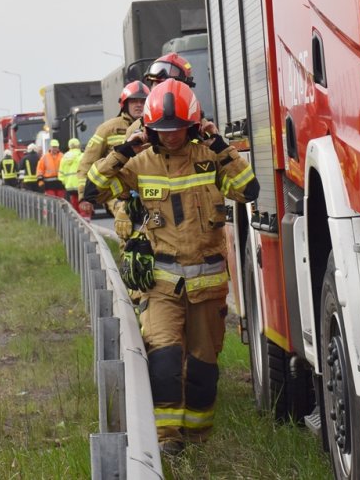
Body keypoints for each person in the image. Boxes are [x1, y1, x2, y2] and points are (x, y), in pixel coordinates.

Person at [83, 79, 258, 454]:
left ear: (192, 125)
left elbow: (249, 190)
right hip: (161, 286)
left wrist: (222, 146)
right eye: (163, 130)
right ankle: (167, 441)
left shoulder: (210, 157)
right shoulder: (139, 163)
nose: (172, 136)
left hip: (208, 287)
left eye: (178, 129)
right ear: (149, 129)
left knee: (202, 371)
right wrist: (124, 151)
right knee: (163, 362)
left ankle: (197, 439)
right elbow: (92, 189)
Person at [76, 80, 151, 225]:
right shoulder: (108, 129)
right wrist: (83, 196)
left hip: (147, 186)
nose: (139, 105)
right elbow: (87, 162)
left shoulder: (153, 126)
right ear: (124, 104)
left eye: (142, 101)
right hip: (117, 191)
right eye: (134, 101)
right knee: (126, 220)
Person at [59, 137, 84, 210]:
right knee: (83, 202)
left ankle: (76, 218)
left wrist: (66, 183)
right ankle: (84, 219)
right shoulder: (82, 156)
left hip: (69, 186)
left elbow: (60, 174)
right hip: (81, 185)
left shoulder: (64, 157)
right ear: (78, 145)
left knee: (74, 202)